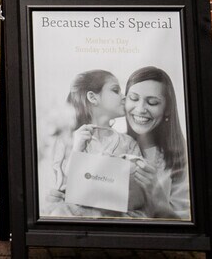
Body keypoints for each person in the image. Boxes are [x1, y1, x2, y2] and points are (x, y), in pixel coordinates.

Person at [45, 69, 140, 217]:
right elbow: (57, 189)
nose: (124, 97)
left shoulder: (128, 144)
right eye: (116, 90)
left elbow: (138, 195)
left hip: (112, 220)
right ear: (93, 97)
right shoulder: (65, 140)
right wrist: (76, 150)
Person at [123, 66, 191, 220]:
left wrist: (156, 194)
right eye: (133, 98)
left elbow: (184, 223)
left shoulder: (182, 155)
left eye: (152, 102)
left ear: (167, 109)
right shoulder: (111, 143)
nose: (140, 109)